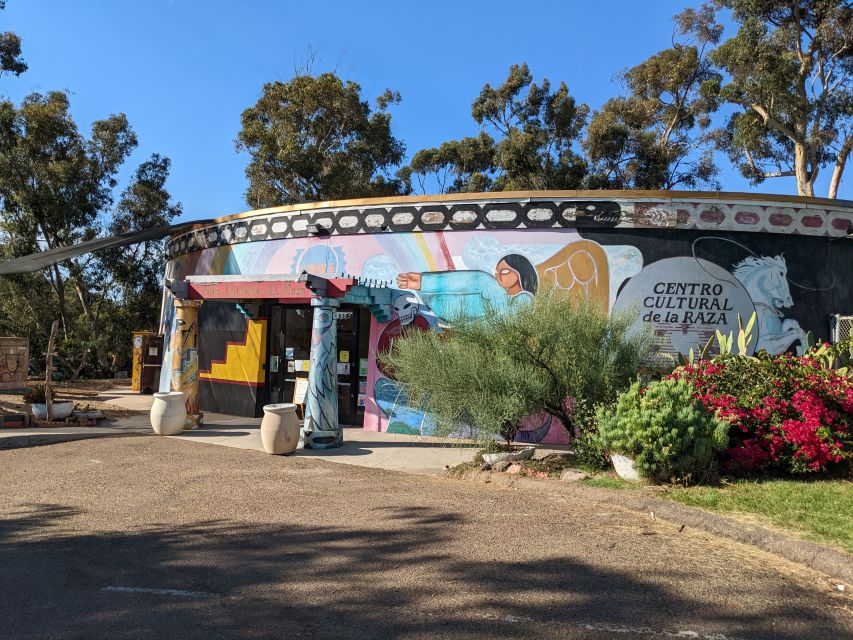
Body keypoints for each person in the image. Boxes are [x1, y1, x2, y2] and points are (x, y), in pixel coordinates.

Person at [396, 253, 538, 321]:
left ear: (520, 272)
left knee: (484, 281)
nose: (498, 276)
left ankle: (425, 282)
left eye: (505, 271)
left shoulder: (524, 299)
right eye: (497, 272)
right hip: (442, 308)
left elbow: (499, 321)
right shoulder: (498, 294)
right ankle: (425, 283)